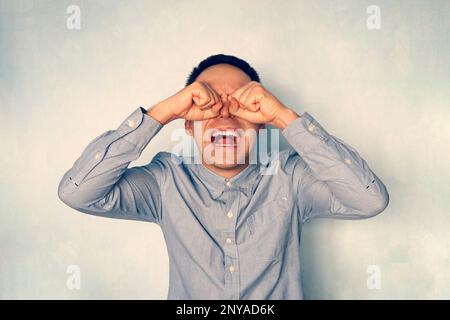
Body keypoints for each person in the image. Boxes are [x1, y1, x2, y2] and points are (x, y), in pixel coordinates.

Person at [58, 54, 389, 299]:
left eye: (240, 105)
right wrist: (161, 113)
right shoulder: (165, 182)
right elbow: (78, 192)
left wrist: (285, 116)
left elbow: (368, 199)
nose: (226, 116)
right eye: (212, 105)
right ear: (188, 124)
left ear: (261, 124)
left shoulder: (291, 178)